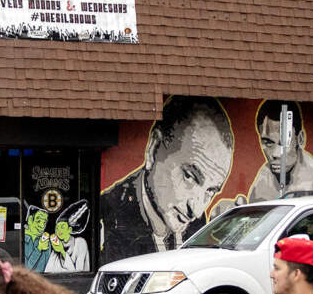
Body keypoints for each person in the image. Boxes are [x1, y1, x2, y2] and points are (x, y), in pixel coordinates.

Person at [98, 96, 234, 258]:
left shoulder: (198, 223)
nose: (196, 210)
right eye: (190, 177)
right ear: (153, 150)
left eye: (210, 191)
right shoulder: (108, 215)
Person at [246, 99, 313, 202]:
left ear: (300, 139)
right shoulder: (264, 179)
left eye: (284, 143)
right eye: (268, 142)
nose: (275, 154)